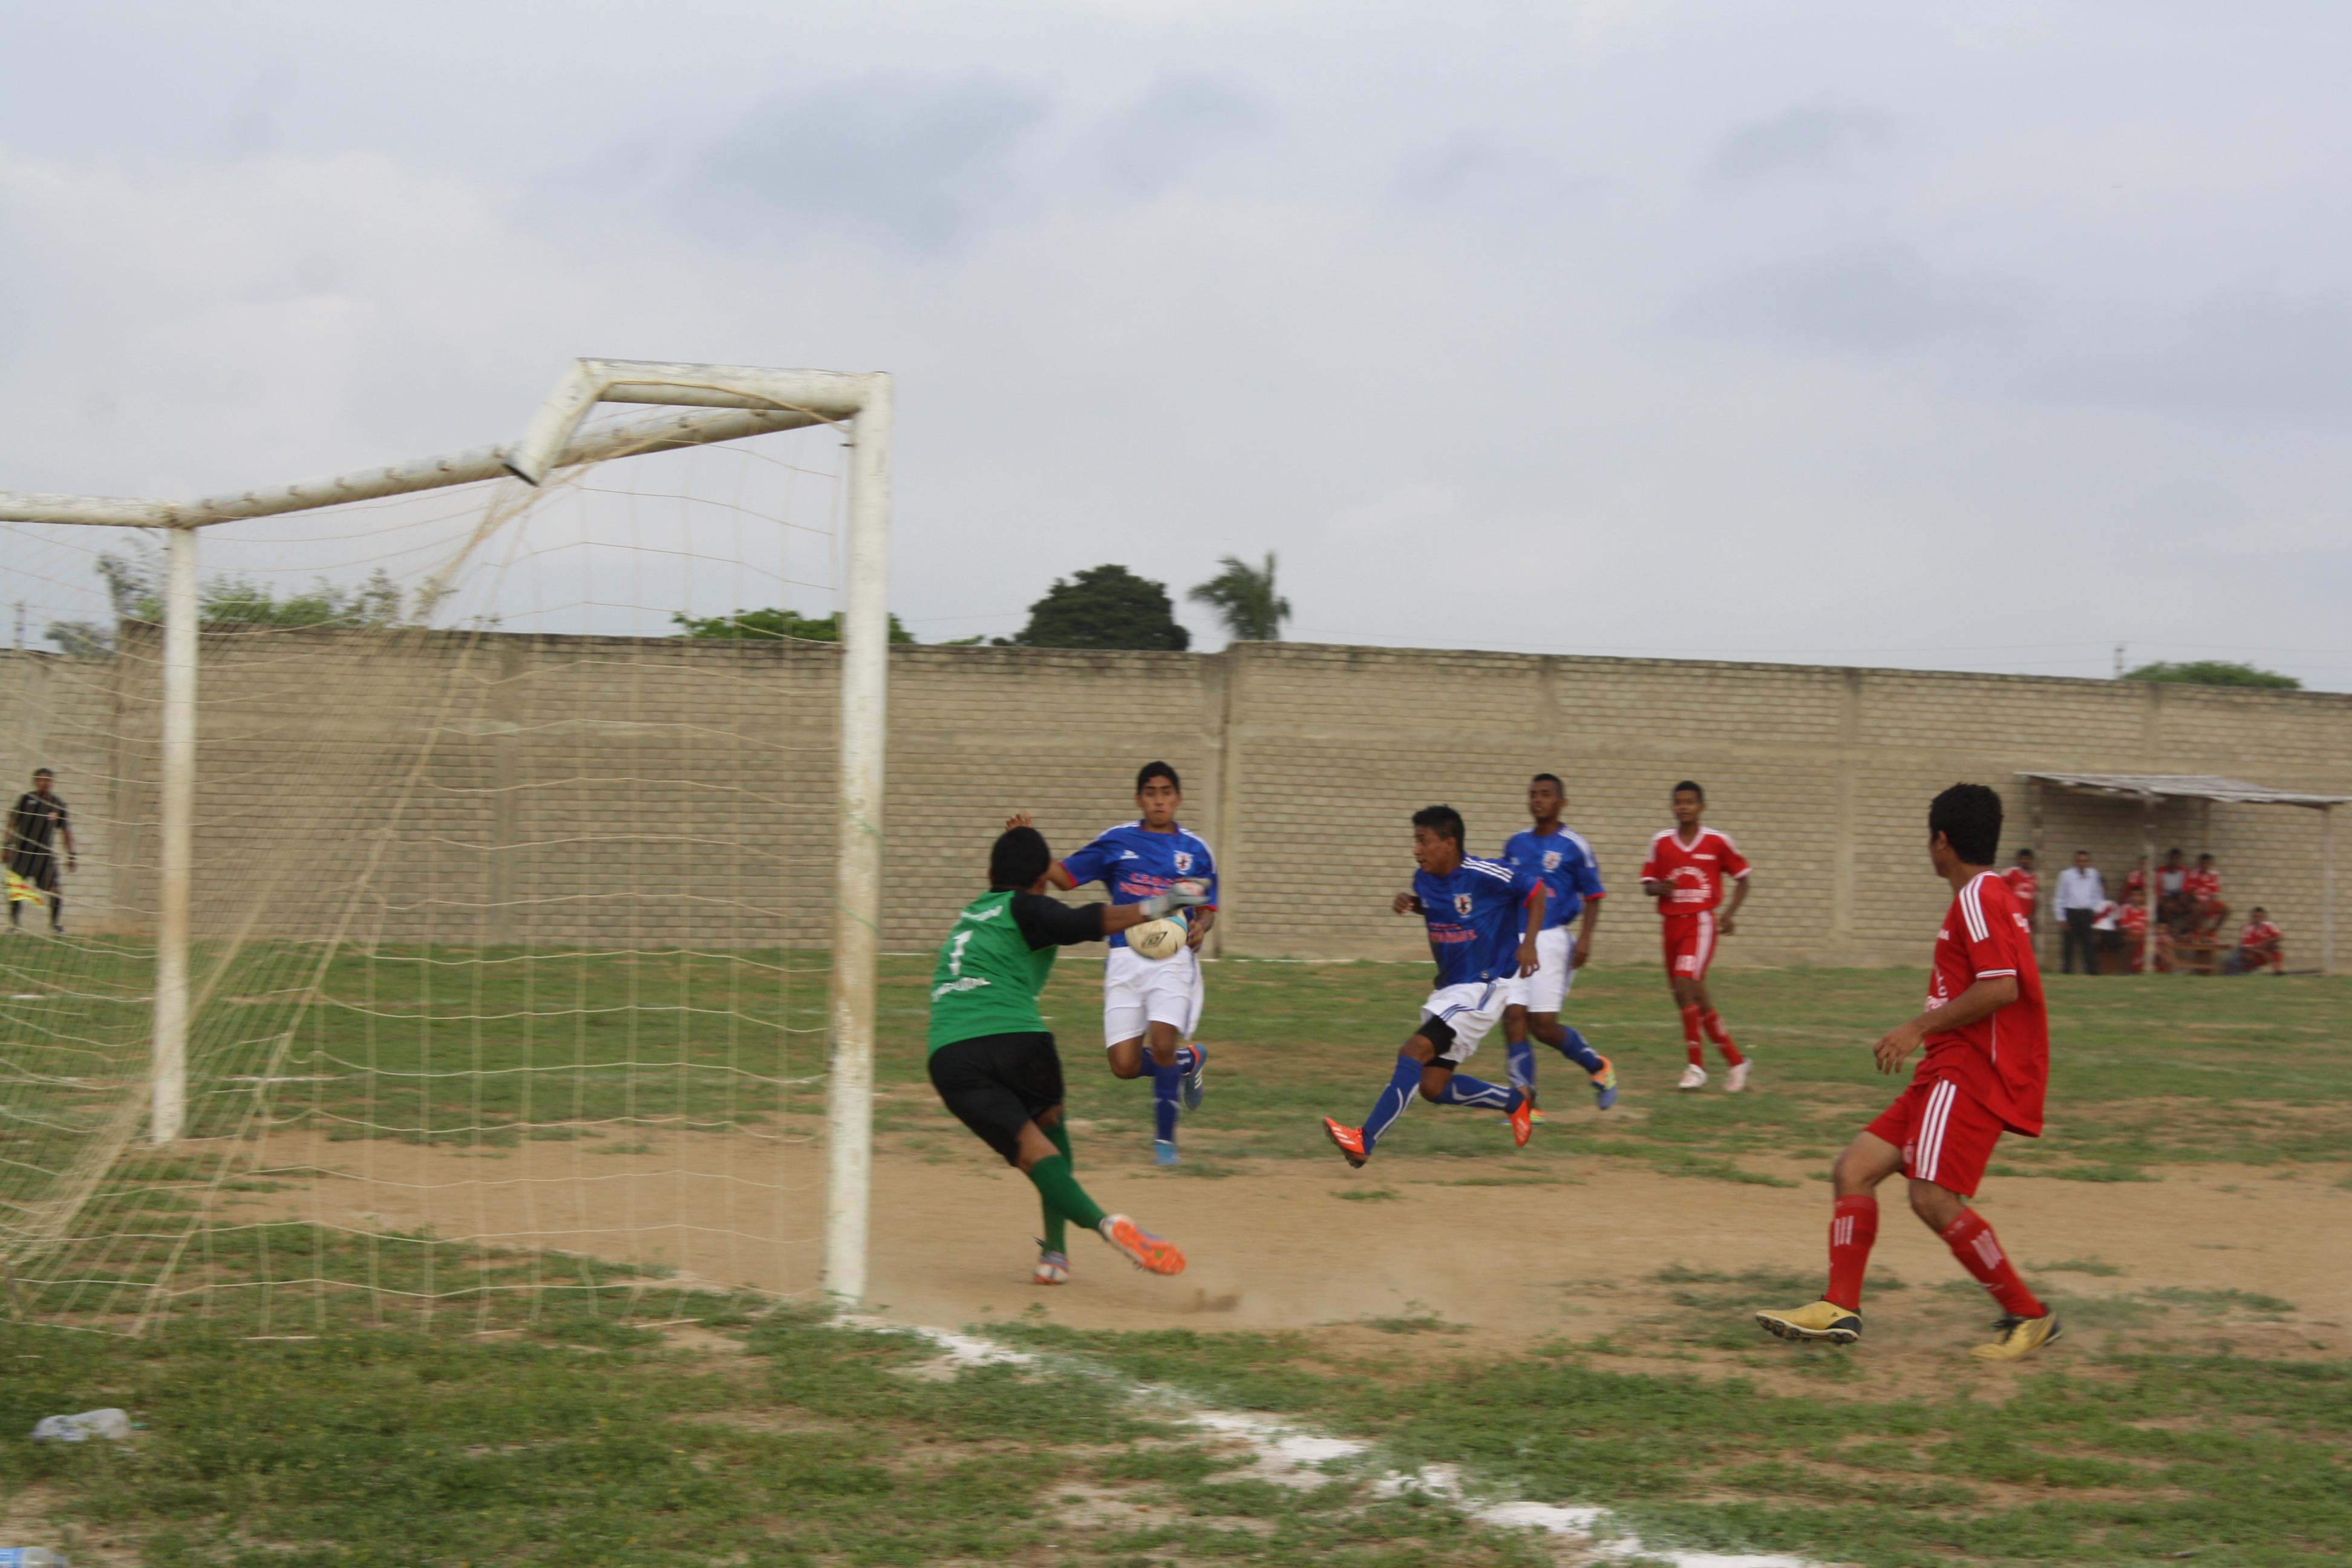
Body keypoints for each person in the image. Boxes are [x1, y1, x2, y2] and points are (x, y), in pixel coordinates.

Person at [1754, 783, 2060, 1362]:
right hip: (1944, 1069)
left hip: (1968, 1070)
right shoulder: (1988, 894)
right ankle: (1839, 1305)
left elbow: (2001, 986)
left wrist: (1918, 1027)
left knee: (1932, 1196)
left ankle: (2028, 1313)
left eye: (1929, 839)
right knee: (1854, 1169)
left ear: (1941, 842)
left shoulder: (1977, 896)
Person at [927, 822, 1208, 1285]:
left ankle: (1072, 1246)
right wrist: (1160, 905)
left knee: (1031, 1155)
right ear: (1041, 881)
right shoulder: (1027, 907)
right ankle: (1065, 1244)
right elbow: (1083, 922)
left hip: (948, 1056)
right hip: (1016, 1039)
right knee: (1050, 1127)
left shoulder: (970, 916)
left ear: (990, 874)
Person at [1320, 806, 1541, 1168]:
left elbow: (1537, 891)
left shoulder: (1485, 874)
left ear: (1449, 844)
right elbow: (1447, 908)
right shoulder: (1423, 879)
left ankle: (1364, 1140)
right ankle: (1516, 1100)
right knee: (1433, 1086)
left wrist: (1528, 943)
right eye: (1415, 841)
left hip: (1484, 984)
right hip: (1451, 989)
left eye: (1423, 841)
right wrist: (1415, 905)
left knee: (1414, 1051)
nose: (1416, 850)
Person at [1038, 762, 1218, 1166]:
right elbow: (1065, 878)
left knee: (1164, 1040)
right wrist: (1031, 846)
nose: (1159, 800)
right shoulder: (1117, 842)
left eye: (1166, 792)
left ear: (1178, 798)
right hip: (1124, 956)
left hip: (1172, 958)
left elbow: (1207, 909)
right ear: (1139, 799)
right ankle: (1189, 1061)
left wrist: (1201, 927)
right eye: (1151, 793)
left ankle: (1165, 1143)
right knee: (1124, 1065)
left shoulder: (1195, 850)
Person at [1497, 773, 1616, 1122]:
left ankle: (1598, 1066)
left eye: (1546, 794)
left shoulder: (1574, 846)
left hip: (1551, 939)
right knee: (1513, 1017)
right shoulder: (1515, 844)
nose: (1538, 800)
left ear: (1561, 802)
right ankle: (1526, 1106)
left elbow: (1594, 896)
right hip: (1516, 939)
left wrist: (1586, 940)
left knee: (1544, 1025)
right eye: (1533, 794)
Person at [1639, 781, 1753, 1091]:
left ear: (1701, 806)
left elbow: (1744, 879)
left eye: (1690, 802)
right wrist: (1659, 888)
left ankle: (1696, 1067)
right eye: (1679, 802)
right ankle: (1736, 1062)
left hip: (1700, 922)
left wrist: (1729, 914)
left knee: (1684, 984)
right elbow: (1647, 884)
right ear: (1673, 806)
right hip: (1671, 925)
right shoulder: (1661, 842)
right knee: (1691, 997)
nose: (1684, 807)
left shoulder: (1717, 841)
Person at [5, 769, 76, 936]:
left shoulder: (57, 805)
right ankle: (15, 926)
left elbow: (66, 832)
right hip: (22, 854)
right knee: (16, 889)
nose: (45, 783)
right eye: (42, 780)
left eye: (48, 780)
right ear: (36, 782)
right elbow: (12, 824)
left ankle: (55, 925)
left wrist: (72, 855)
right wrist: (7, 846)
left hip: (44, 856)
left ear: (52, 783)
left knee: (55, 890)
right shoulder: (25, 800)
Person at [2052, 849, 2105, 975]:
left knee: (2089, 945)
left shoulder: (2093, 875)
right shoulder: (2066, 875)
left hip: (2087, 914)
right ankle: (2067, 973)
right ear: (2075, 862)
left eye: (2085, 861)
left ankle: (2092, 973)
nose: (2082, 864)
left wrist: (2097, 910)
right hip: (2071, 913)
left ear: (2088, 862)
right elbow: (2059, 897)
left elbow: (2098, 895)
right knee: (2069, 946)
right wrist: (2061, 918)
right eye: (2080, 861)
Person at [2230, 909, 2284, 974]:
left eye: (2260, 917)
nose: (2258, 919)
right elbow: (2246, 948)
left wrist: (2269, 940)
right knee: (2247, 955)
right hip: (2253, 951)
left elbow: (2280, 937)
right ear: (2252, 918)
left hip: (2264, 950)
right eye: (2255, 917)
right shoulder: (2247, 928)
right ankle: (2248, 970)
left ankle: (2277, 970)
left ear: (2264, 918)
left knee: (2276, 946)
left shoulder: (2270, 925)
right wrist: (2263, 953)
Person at [2184, 854, 2227, 933]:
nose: (2205, 866)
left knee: (2226, 909)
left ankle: (2212, 931)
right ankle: (2192, 932)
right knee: (2197, 908)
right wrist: (2198, 901)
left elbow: (2215, 893)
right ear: (2199, 864)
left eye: (2207, 863)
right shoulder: (2192, 874)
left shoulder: (2215, 875)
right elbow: (2188, 892)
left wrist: (2210, 903)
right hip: (2195, 902)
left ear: (2211, 864)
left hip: (2209, 902)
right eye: (2203, 863)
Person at [2001, 848, 2039, 935]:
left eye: (2027, 859)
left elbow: (2034, 899)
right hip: (2012, 917)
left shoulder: (2034, 878)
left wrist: (2033, 915)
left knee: (2025, 940)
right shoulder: (2011, 872)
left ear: (2031, 860)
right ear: (2018, 860)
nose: (2024, 861)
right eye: (2022, 859)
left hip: (2027, 919)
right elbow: (1998, 887)